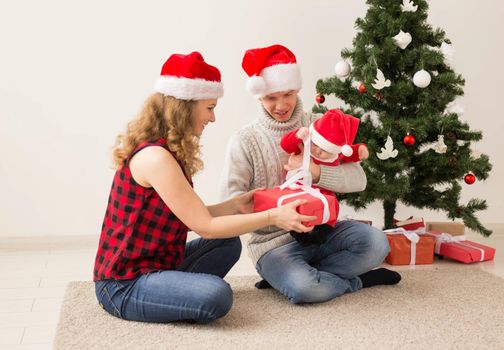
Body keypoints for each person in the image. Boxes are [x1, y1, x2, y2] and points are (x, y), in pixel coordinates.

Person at [93, 51, 316, 324]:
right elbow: (205, 226)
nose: (212, 118)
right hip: (123, 283)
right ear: (185, 107)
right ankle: (171, 294)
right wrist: (273, 216)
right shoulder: (156, 158)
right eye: (209, 107)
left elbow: (190, 215)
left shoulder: (164, 150)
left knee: (227, 244)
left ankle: (172, 291)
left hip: (160, 262)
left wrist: (236, 205)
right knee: (217, 296)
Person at [220, 44, 401, 303]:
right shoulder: (244, 140)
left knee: (377, 243)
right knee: (306, 289)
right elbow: (231, 205)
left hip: (324, 232)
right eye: (271, 97)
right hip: (273, 245)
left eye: (288, 94)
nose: (281, 105)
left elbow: (359, 180)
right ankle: (355, 281)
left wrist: (315, 172)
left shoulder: (319, 123)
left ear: (298, 90)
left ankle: (297, 278)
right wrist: (273, 214)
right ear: (259, 96)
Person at [280, 108, 369, 246]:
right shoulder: (305, 147)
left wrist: (361, 150)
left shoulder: (337, 154)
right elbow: (285, 144)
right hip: (300, 191)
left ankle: (322, 233)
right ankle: (302, 236)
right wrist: (296, 135)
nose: (317, 151)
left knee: (329, 211)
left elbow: (351, 151)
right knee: (300, 212)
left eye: (324, 150)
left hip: (323, 195)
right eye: (316, 145)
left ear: (334, 150)